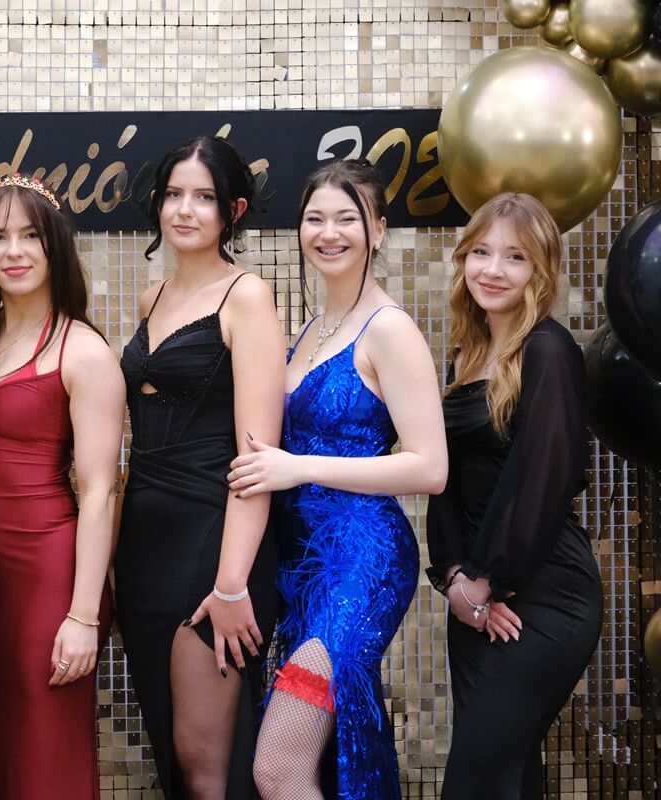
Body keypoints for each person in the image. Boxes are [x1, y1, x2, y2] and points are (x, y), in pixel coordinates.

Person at [229, 159, 448, 800]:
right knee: (322, 760)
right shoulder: (310, 330)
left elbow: (430, 466)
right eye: (315, 219)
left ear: (377, 229)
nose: (328, 233)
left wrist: (298, 466)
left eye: (347, 219)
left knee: (277, 766)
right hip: (301, 563)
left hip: (360, 559)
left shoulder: (390, 330)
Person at [116, 135, 285, 799]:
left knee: (202, 758)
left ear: (232, 210)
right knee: (167, 745)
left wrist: (234, 583)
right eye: (174, 195)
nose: (184, 210)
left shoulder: (247, 296)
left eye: (204, 197)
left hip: (213, 541)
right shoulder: (150, 299)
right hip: (144, 544)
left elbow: (256, 457)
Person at [0, 172, 124, 800]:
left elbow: (100, 491)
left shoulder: (84, 352)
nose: (13, 251)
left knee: (42, 755)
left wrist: (82, 615)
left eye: (29, 236)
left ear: (55, 246)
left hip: (47, 581)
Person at [426, 192, 602, 799]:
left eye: (515, 257)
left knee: (476, 783)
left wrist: (488, 580)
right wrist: (454, 575)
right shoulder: (466, 358)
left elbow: (543, 479)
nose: (493, 270)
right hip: (474, 596)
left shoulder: (548, 350)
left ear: (540, 272)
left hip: (541, 598)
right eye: (481, 252)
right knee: (508, 779)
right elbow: (445, 481)